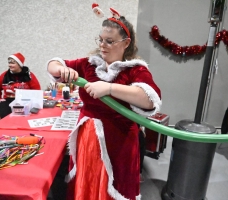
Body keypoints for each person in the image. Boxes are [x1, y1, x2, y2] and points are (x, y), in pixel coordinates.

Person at [47, 6, 162, 200]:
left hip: (119, 142)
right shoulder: (89, 64)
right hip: (87, 140)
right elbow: (53, 64)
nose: (102, 45)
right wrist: (62, 70)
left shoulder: (135, 70)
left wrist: (109, 88)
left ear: (126, 43)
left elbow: (150, 99)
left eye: (109, 41)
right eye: (100, 40)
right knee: (86, 181)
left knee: (113, 187)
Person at [0, 52, 41, 119]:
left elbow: (36, 90)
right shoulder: (5, 75)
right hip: (8, 102)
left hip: (24, 102)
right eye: (9, 63)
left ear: (19, 64)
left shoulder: (29, 75)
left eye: (13, 63)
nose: (10, 65)